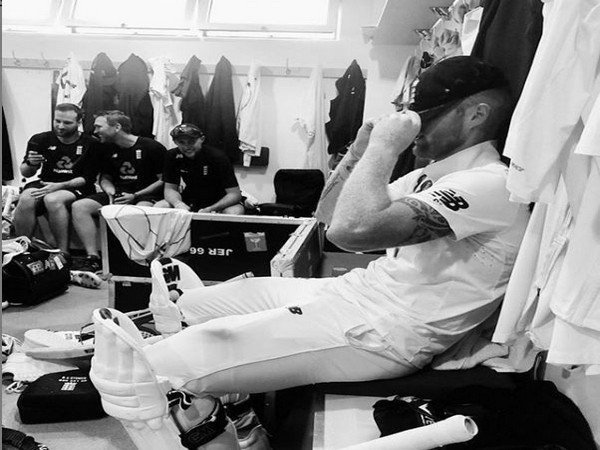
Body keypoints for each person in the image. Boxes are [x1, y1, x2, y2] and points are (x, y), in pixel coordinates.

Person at [89, 56, 530, 448]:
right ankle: (240, 414)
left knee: (153, 368)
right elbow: (328, 218)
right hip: (355, 294)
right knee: (195, 304)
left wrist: (385, 147)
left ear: (477, 114)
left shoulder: (491, 184)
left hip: (386, 332)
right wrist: (359, 152)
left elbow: (353, 231)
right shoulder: (431, 176)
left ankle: (200, 409)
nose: (414, 127)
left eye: (425, 118)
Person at [71, 110, 166, 273]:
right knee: (79, 207)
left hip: (145, 194)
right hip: (119, 193)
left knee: (138, 211)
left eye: (99, 127)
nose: (95, 131)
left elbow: (163, 180)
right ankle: (93, 258)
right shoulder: (106, 148)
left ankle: (139, 262)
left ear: (117, 127)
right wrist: (110, 192)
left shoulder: (151, 147)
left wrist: (135, 195)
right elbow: (105, 176)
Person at [13, 103, 99, 258]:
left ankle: (63, 252)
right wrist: (31, 163)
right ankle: (21, 249)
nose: (60, 126)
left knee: (53, 199)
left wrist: (60, 185)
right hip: (47, 181)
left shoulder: (90, 143)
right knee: (26, 198)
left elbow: (87, 178)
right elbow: (26, 172)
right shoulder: (40, 139)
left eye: (67, 123)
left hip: (75, 184)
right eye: (57, 121)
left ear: (79, 122)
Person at [155, 123, 244, 214]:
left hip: (220, 200)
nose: (187, 146)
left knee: (235, 211)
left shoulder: (217, 157)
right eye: (181, 142)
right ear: (175, 142)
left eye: (191, 142)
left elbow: (234, 194)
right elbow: (170, 189)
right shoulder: (172, 156)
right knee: (160, 206)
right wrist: (178, 204)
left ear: (202, 139)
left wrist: (210, 208)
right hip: (190, 198)